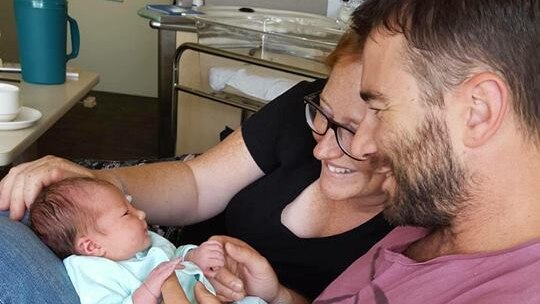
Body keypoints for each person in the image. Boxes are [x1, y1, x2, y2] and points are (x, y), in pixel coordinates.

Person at [0, 29, 394, 302]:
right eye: (322, 114)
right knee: (25, 203)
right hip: (167, 246)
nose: (321, 150)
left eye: (352, 130)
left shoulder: (418, 235)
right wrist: (96, 186)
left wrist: (278, 297)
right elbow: (197, 181)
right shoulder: (299, 111)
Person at [204, 0, 540, 303]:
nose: (364, 145)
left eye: (380, 110)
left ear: (478, 111)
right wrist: (278, 299)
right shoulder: (427, 220)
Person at [29, 177, 263, 304]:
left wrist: (194, 256)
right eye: (126, 213)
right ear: (92, 246)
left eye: (131, 205)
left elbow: (176, 256)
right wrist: (151, 289)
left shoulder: (145, 241)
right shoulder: (90, 269)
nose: (140, 213)